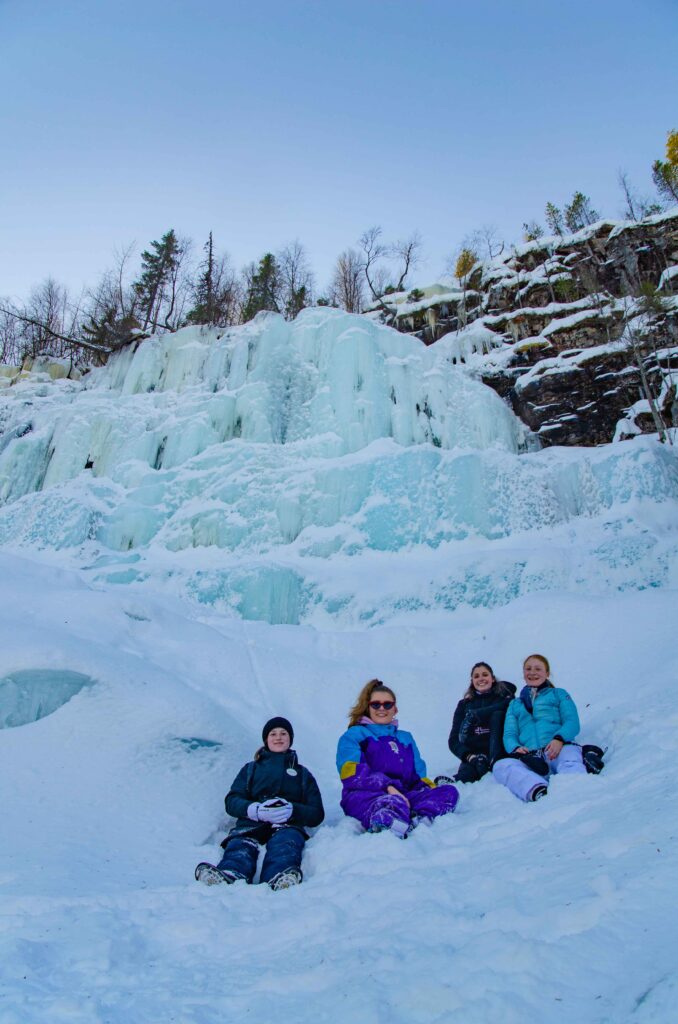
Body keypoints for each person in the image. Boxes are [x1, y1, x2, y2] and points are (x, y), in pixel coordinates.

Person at [195, 716, 324, 890]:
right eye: (273, 734)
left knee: (286, 845)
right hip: (250, 825)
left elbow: (316, 813)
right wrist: (254, 810)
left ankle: (279, 877)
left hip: (287, 826)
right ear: (266, 739)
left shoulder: (303, 774)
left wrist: (293, 811)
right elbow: (232, 801)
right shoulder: (250, 769)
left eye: (283, 733)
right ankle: (231, 874)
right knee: (240, 846)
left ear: (290, 739)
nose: (278, 737)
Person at [336, 679, 459, 838]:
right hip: (366, 795)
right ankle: (389, 827)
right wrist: (388, 787)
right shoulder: (354, 735)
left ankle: (418, 821)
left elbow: (419, 775)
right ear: (368, 707)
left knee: (449, 792)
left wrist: (430, 790)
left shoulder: (405, 738)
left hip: (404, 794)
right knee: (391, 804)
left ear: (395, 709)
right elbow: (352, 774)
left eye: (387, 704)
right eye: (376, 704)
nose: (382, 708)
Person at [492, 654, 587, 802]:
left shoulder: (559, 694)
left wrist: (559, 739)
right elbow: (510, 733)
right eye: (528, 669)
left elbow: (572, 722)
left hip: (557, 748)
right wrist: (516, 748)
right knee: (501, 766)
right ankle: (537, 789)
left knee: (569, 757)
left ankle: (574, 787)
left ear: (547, 673)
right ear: (523, 674)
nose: (532, 672)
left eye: (538, 668)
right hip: (531, 757)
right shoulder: (515, 704)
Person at [436, 662, 516, 785]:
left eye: (485, 674)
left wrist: (478, 714)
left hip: (499, 753)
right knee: (466, 777)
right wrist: (469, 757)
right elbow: (453, 740)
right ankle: (449, 787)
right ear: (472, 681)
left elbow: (508, 709)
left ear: (492, 678)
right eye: (476, 676)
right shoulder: (464, 705)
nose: (481, 679)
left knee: (497, 715)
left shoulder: (504, 699)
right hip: (474, 756)